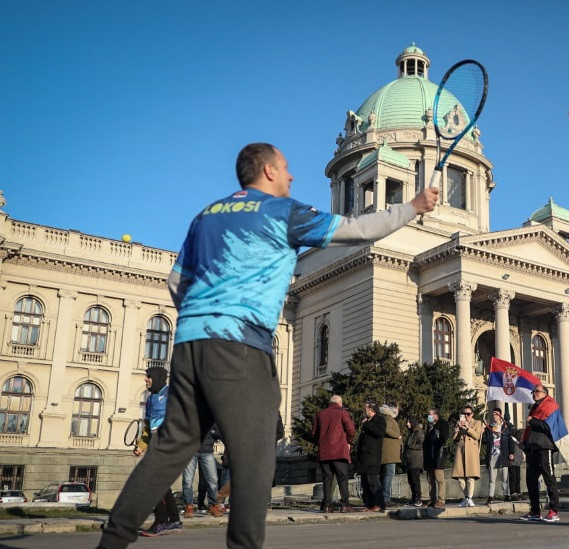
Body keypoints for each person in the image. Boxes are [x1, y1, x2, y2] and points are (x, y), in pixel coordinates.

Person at [96, 143, 438, 549]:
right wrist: (414, 205)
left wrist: (204, 317)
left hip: (189, 345)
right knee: (256, 457)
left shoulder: (206, 216)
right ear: (268, 171)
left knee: (169, 449)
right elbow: (361, 229)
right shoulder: (283, 212)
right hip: (241, 346)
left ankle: (112, 541)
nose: (292, 176)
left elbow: (176, 282)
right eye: (287, 168)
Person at [136, 367, 183, 537]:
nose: (146, 379)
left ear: (156, 377)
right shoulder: (150, 399)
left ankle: (161, 521)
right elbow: (148, 428)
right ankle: (174, 520)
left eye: (148, 377)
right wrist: (141, 445)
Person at [519, 385, 561, 523]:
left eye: (537, 391)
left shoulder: (551, 405)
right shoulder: (534, 408)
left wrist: (533, 420)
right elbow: (529, 429)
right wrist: (524, 443)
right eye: (533, 391)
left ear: (545, 393)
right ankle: (535, 511)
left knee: (549, 477)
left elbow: (547, 427)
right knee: (530, 480)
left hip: (545, 446)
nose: (534, 393)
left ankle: (554, 511)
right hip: (533, 447)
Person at [312, 395, 355, 513]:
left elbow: (314, 433)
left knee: (327, 478)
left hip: (324, 452)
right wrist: (348, 441)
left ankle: (327, 505)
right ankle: (345, 504)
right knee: (342, 477)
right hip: (339, 450)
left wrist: (321, 443)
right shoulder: (342, 412)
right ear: (340, 402)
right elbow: (350, 429)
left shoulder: (320, 414)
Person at [181, 423, 222, 519]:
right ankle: (188, 506)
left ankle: (213, 506)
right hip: (189, 451)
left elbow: (218, 432)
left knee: (213, 480)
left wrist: (212, 433)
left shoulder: (210, 416)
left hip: (207, 451)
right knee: (187, 480)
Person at [452, 404, 483, 507]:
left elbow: (477, 436)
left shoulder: (477, 423)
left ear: (472, 414)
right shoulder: (459, 423)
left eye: (468, 414)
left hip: (471, 451)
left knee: (470, 476)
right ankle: (466, 497)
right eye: (464, 414)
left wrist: (468, 427)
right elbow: (453, 438)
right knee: (460, 476)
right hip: (460, 450)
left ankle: (470, 497)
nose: (466, 416)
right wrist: (457, 429)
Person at [357, 402, 387, 512]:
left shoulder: (379, 419)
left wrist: (367, 424)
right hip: (364, 456)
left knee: (373, 480)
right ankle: (369, 504)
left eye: (366, 409)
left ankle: (379, 504)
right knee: (365, 482)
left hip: (372, 456)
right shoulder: (368, 421)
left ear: (371, 409)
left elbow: (380, 432)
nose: (364, 411)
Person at [483, 408, 513, 504]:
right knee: (492, 478)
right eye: (493, 414)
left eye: (496, 414)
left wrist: (511, 453)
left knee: (504, 477)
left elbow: (510, 440)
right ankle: (491, 496)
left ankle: (507, 495)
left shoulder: (505, 427)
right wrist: (484, 431)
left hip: (503, 454)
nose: (494, 416)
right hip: (493, 454)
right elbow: (485, 441)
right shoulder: (489, 428)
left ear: (500, 415)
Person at [422, 408, 449, 508]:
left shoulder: (442, 424)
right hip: (429, 456)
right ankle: (432, 499)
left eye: (430, 414)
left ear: (436, 415)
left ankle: (441, 500)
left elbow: (444, 438)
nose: (429, 416)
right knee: (430, 480)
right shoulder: (429, 426)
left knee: (439, 479)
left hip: (438, 455)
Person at [379, 404, 403, 506]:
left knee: (386, 474)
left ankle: (383, 497)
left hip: (389, 453)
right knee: (389, 474)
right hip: (390, 453)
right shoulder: (388, 419)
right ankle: (385, 498)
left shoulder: (385, 418)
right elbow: (387, 430)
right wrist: (397, 436)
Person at [403, 417, 425, 507]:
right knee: (411, 480)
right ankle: (413, 498)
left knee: (415, 480)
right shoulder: (411, 433)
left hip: (416, 459)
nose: (407, 423)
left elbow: (421, 444)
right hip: (409, 460)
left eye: (408, 421)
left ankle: (418, 499)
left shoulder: (418, 432)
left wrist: (412, 446)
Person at [508, 427, 525, 501]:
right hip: (513, 462)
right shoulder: (513, 440)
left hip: (518, 461)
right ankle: (513, 493)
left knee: (518, 478)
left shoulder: (519, 442)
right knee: (513, 478)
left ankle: (518, 492)